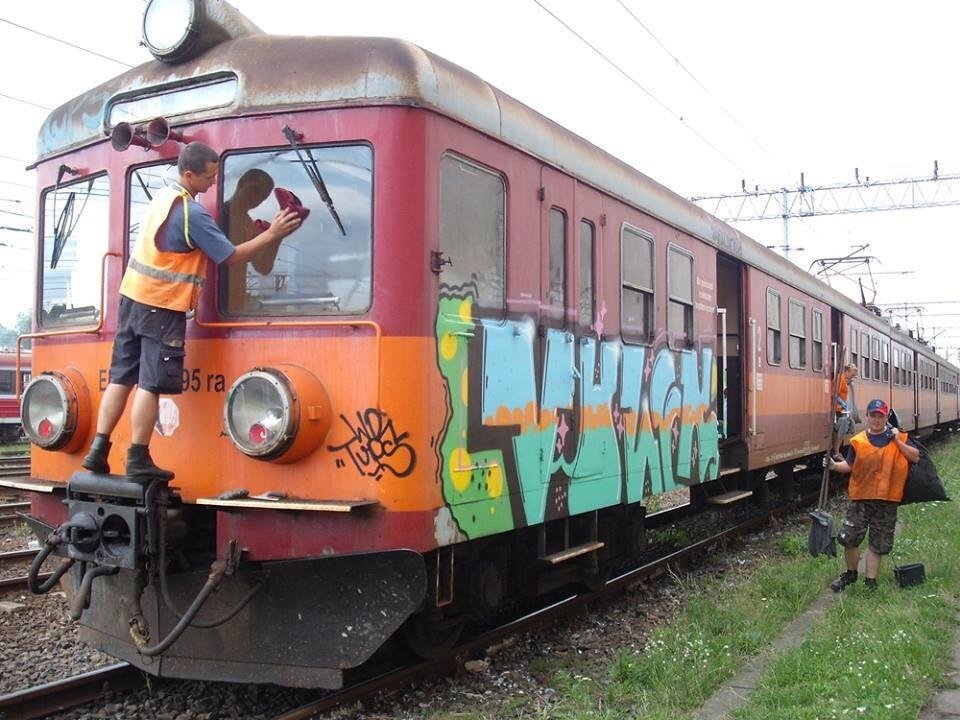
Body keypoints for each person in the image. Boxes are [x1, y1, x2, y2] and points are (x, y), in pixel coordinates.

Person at [81, 142, 302, 479]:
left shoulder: (162, 200)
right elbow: (229, 257)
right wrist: (273, 232)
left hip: (131, 299)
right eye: (209, 176)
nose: (214, 182)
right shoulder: (192, 213)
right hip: (162, 303)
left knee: (121, 378)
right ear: (189, 174)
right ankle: (138, 457)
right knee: (150, 385)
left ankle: (98, 450)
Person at [827, 398, 920, 591]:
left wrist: (896, 439)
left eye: (881, 416)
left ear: (886, 417)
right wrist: (834, 466)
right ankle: (851, 574)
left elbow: (915, 456)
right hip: (861, 498)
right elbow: (849, 466)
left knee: (879, 543)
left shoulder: (899, 438)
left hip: (888, 499)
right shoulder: (858, 441)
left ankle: (871, 581)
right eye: (873, 416)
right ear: (867, 417)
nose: (877, 420)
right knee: (849, 537)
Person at [221, 168, 281, 312]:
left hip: (235, 305)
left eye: (264, 196)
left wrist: (277, 236)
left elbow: (262, 267)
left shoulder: (249, 225)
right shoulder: (218, 214)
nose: (258, 198)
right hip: (215, 299)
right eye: (255, 190)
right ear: (241, 183)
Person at [831, 363, 860, 461]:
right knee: (841, 428)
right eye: (852, 375)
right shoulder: (840, 379)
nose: (852, 378)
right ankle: (836, 452)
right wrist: (842, 403)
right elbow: (834, 393)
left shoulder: (845, 380)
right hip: (837, 408)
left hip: (840, 409)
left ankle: (837, 451)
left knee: (843, 428)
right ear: (847, 372)